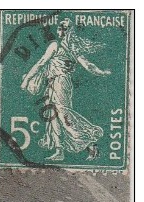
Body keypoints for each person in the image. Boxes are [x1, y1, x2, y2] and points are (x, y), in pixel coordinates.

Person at [21, 18, 110, 162]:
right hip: (53, 83)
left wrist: (26, 81)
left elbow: (41, 63)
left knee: (62, 114)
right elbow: (87, 65)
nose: (61, 31)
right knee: (53, 115)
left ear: (70, 31)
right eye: (60, 28)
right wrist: (101, 72)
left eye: (64, 28)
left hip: (61, 83)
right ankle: (60, 150)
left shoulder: (57, 46)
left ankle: (89, 138)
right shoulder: (70, 48)